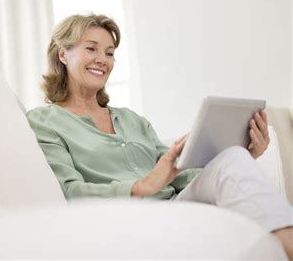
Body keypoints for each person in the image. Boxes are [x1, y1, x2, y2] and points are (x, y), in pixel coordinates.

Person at [26, 13, 293, 258]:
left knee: (233, 156)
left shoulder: (132, 120)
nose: (102, 59)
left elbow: (181, 175)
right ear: (63, 54)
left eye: (109, 53)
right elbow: (70, 191)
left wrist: (244, 158)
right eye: (91, 48)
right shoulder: (44, 121)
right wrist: (141, 186)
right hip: (126, 219)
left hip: (177, 206)